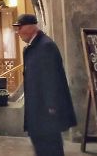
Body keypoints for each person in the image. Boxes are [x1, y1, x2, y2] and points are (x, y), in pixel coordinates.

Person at [13, 14, 77, 156]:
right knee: (41, 144)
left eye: (20, 28)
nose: (18, 33)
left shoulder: (46, 46)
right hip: (38, 109)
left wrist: (52, 106)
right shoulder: (32, 47)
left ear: (31, 27)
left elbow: (52, 79)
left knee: (51, 146)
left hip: (46, 110)